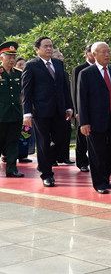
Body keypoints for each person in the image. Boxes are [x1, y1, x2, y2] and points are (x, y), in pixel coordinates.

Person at [21, 36, 74, 187]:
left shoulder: (58, 63)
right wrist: (27, 113)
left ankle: (44, 162)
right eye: (46, 46)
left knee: (61, 140)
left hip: (59, 110)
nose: (49, 49)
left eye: (51, 46)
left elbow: (64, 87)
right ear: (37, 49)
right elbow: (27, 91)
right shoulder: (31, 65)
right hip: (40, 111)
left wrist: (69, 106)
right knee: (43, 142)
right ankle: (47, 174)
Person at [77, 42, 111, 194]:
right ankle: (99, 183)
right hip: (94, 120)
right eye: (103, 52)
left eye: (109, 51)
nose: (107, 55)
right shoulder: (85, 73)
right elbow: (82, 100)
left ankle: (106, 179)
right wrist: (84, 122)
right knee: (97, 152)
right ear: (94, 54)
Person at [0, 42, 25, 178]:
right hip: (1, 115)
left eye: (13, 57)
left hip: (15, 114)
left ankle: (12, 169)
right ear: (1, 58)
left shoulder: (20, 74)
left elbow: (23, 94)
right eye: (8, 57)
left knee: (13, 143)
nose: (12, 59)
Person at [71, 44, 94, 172]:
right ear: (86, 53)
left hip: (96, 110)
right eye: (92, 52)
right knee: (82, 139)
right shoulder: (79, 69)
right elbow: (75, 91)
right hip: (82, 109)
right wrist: (77, 110)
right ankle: (82, 162)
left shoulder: (103, 69)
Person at [52, 49, 75, 166]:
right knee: (53, 136)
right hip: (50, 109)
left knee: (66, 132)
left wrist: (69, 107)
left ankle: (64, 156)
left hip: (63, 107)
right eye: (57, 56)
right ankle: (53, 158)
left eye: (61, 56)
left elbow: (67, 91)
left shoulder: (64, 73)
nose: (60, 58)